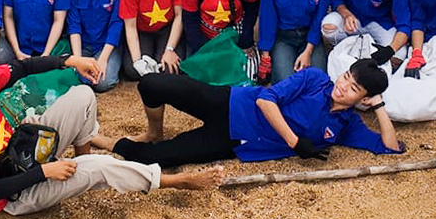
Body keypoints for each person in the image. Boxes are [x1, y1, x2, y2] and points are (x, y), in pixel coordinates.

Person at [0, 35, 221, 217]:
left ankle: (78, 165)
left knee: (83, 95)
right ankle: (174, 181)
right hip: (12, 195)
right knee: (97, 167)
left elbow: (22, 68)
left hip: (22, 152)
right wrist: (46, 171)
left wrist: (71, 61)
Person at [92, 59, 402, 168]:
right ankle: (154, 129)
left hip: (237, 142)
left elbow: (389, 146)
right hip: (231, 102)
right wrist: (295, 143)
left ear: (362, 99)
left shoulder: (345, 125)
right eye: (346, 77)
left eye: (354, 89)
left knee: (153, 158)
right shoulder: (316, 79)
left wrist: (378, 104)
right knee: (152, 83)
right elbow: (266, 100)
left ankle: (109, 143)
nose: (343, 86)